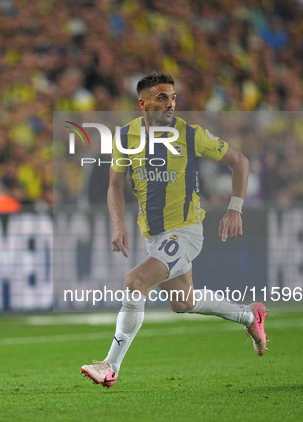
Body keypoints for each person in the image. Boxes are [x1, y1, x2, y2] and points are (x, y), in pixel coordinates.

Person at [80, 72, 268, 388]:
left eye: (173, 97)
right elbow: (114, 185)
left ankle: (110, 365)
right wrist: (117, 223)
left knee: (135, 282)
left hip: (185, 232)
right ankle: (250, 316)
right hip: (153, 236)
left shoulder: (190, 134)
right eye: (162, 97)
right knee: (183, 302)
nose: (171, 104)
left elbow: (239, 161)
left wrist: (234, 207)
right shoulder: (125, 138)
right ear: (143, 103)